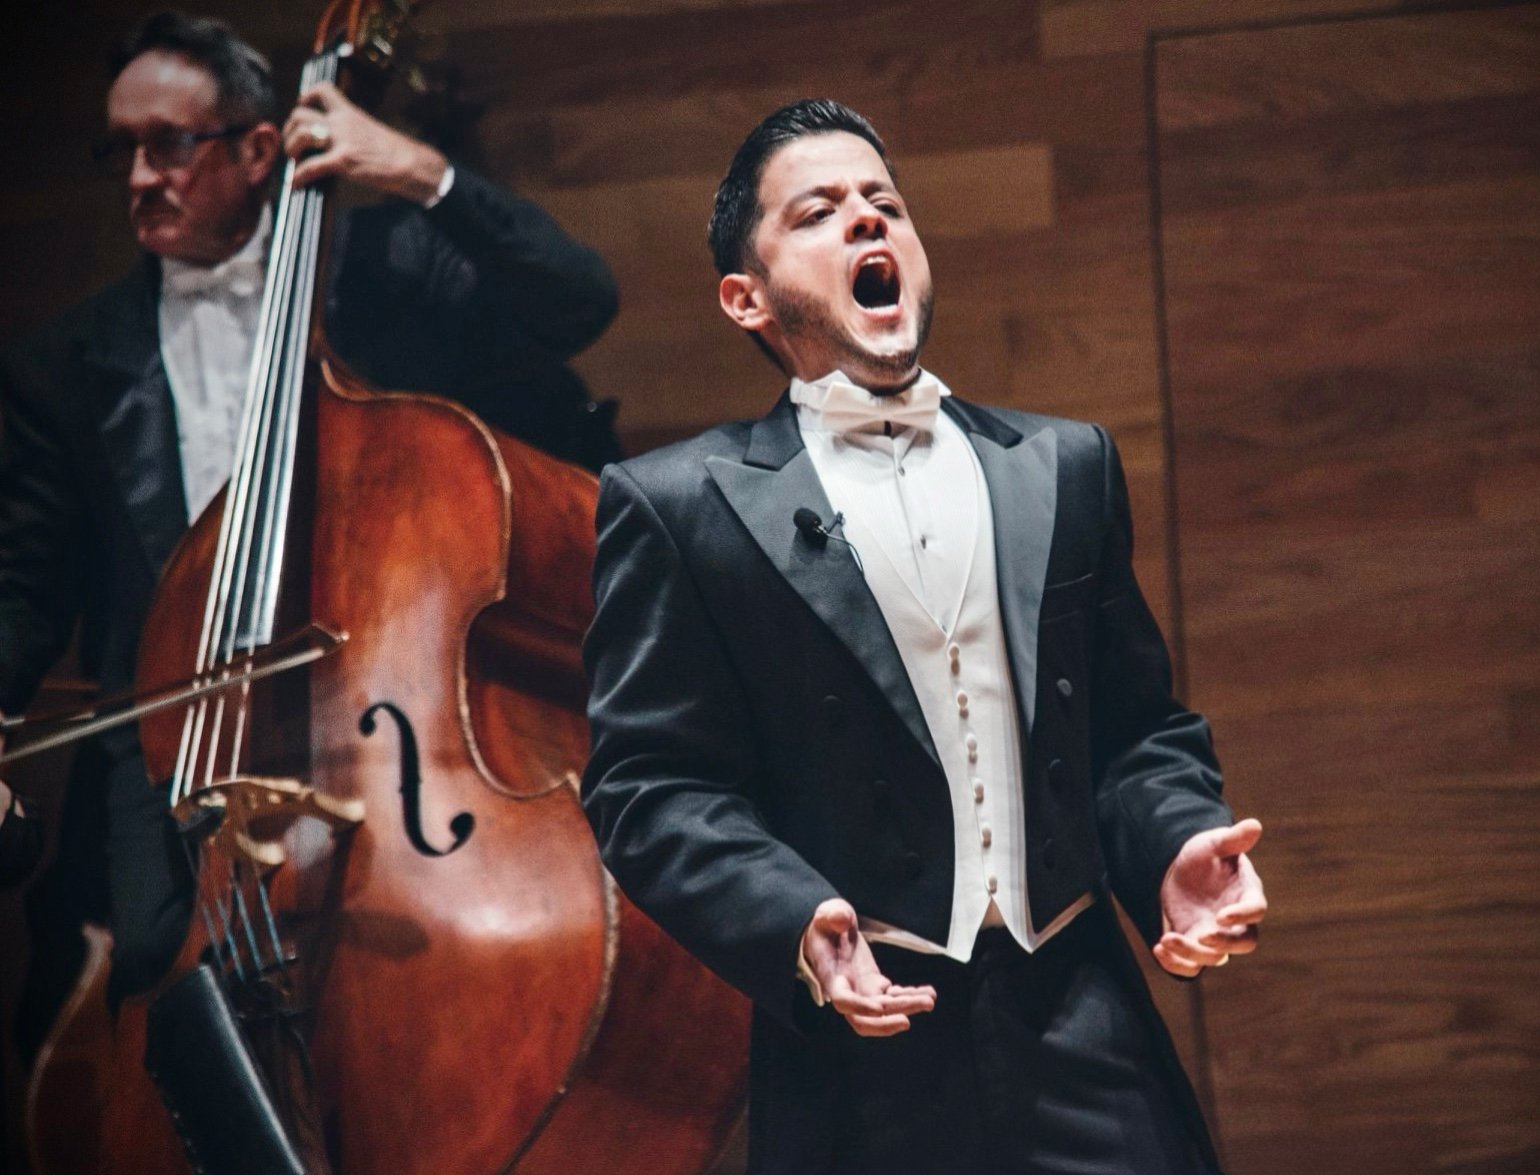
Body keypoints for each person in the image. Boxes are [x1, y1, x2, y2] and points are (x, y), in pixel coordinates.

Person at [582, 99, 1267, 1175]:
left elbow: (1135, 731)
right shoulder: (679, 507)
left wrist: (1174, 841)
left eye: (884, 204)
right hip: (864, 1039)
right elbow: (649, 786)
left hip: (1080, 1007)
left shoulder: (1063, 465)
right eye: (820, 211)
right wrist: (793, 917)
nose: (867, 223)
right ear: (744, 297)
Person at [0, 10, 619, 1056]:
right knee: (156, 994)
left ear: (255, 148)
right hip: (181, 745)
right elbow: (24, 581)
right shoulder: (64, 363)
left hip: (385, 729)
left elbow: (580, 298)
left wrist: (420, 172)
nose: (141, 175)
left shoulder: (386, 266)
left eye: (170, 145)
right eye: (122, 150)